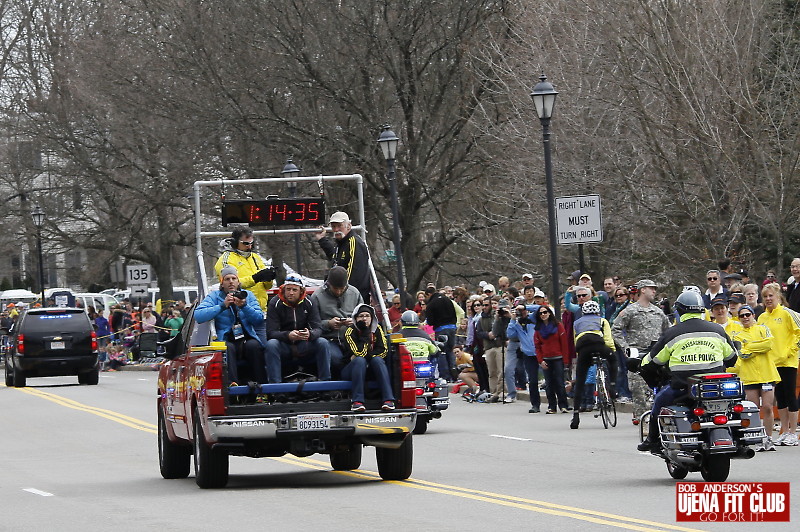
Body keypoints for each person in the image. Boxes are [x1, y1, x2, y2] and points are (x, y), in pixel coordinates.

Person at [637, 290, 738, 452]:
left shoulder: (673, 333)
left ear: (680, 311)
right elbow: (733, 357)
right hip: (717, 389)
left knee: (659, 402)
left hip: (682, 388)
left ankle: (653, 440)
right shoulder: (717, 330)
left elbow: (652, 361)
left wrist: (641, 363)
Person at [195, 266, 267, 384]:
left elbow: (259, 319)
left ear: (238, 282)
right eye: (227, 279)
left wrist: (244, 306)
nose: (231, 281)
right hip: (226, 338)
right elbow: (198, 315)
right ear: (222, 283)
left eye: (234, 278)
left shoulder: (247, 295)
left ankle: (261, 385)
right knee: (228, 348)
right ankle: (232, 385)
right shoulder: (214, 296)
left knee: (254, 346)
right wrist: (222, 306)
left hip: (246, 338)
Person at [214, 226, 276, 347]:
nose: (249, 246)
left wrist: (269, 278)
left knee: (266, 347)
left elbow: (266, 286)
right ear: (235, 242)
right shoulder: (226, 259)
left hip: (259, 312)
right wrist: (255, 278)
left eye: (252, 243)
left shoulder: (256, 258)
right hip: (239, 314)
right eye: (245, 243)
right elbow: (230, 284)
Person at [729, 305, 778, 451]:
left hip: (767, 374)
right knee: (753, 409)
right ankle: (755, 438)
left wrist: (749, 346)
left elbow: (768, 344)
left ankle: (769, 437)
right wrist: (755, 348)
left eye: (747, 314)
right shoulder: (736, 336)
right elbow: (740, 353)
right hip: (749, 376)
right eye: (742, 315)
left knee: (768, 407)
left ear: (753, 315)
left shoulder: (763, 329)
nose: (745, 318)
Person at [264, 274, 329, 383]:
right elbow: (270, 333)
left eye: (294, 290)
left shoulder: (310, 302)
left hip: (304, 343)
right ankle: (275, 386)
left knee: (322, 342)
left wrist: (310, 334)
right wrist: (288, 335)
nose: (291, 293)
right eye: (288, 289)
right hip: (284, 345)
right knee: (271, 344)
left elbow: (318, 328)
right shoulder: (275, 303)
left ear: (301, 291)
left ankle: (325, 382)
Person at [757, 283, 800, 446]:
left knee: (790, 396)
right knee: (780, 398)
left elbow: (799, 332)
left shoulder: (788, 313)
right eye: (765, 297)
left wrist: (791, 350)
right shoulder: (762, 317)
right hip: (771, 363)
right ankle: (784, 429)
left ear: (778, 296)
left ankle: (793, 432)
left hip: (788, 361)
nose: (768, 299)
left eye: (771, 296)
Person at [570, 300, 616, 429]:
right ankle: (612, 387)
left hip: (583, 348)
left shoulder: (577, 323)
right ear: (598, 311)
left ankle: (576, 415)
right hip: (598, 344)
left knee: (580, 380)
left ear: (583, 312)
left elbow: (575, 341)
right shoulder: (602, 320)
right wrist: (611, 352)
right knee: (613, 360)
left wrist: (581, 358)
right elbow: (608, 339)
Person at [310, 266, 363, 379]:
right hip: (330, 339)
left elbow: (364, 316)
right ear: (329, 284)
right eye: (335, 288)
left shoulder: (355, 293)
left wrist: (354, 322)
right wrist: (328, 324)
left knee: (360, 357)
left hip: (352, 338)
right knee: (336, 359)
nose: (339, 291)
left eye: (342, 288)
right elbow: (312, 324)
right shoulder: (317, 296)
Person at [341, 304, 394, 412]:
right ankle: (357, 401)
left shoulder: (378, 329)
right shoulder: (350, 332)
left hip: (371, 366)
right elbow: (359, 352)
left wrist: (370, 357)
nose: (364, 318)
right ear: (356, 318)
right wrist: (365, 334)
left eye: (367, 316)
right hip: (351, 369)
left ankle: (388, 400)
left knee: (378, 360)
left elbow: (383, 351)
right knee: (360, 360)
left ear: (372, 318)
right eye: (361, 316)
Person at [315, 211, 372, 303]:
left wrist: (343, 294)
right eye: (333, 226)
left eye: (339, 226)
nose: (336, 229)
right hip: (342, 294)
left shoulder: (353, 242)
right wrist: (322, 240)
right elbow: (335, 259)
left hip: (351, 297)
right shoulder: (341, 243)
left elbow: (354, 271)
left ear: (348, 226)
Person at [533, 304, 570, 414]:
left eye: (545, 312)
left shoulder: (558, 326)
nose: (543, 315)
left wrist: (565, 360)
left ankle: (563, 405)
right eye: (540, 313)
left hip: (558, 358)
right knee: (549, 384)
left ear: (549, 313)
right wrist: (540, 360)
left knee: (559, 382)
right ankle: (552, 406)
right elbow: (537, 347)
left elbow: (564, 343)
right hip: (546, 359)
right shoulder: (538, 330)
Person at [505, 304, 540, 409]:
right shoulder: (516, 323)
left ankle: (555, 403)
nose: (522, 313)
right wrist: (512, 319)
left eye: (522, 311)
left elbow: (541, 308)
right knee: (533, 381)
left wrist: (526, 307)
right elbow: (510, 335)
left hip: (540, 352)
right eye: (519, 311)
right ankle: (535, 405)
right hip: (528, 354)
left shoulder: (533, 318)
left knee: (551, 378)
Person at [424, 285, 458, 381]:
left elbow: (430, 321)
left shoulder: (431, 304)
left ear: (429, 294)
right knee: (450, 351)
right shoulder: (447, 299)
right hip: (452, 327)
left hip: (441, 329)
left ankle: (445, 375)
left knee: (442, 352)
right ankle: (454, 371)